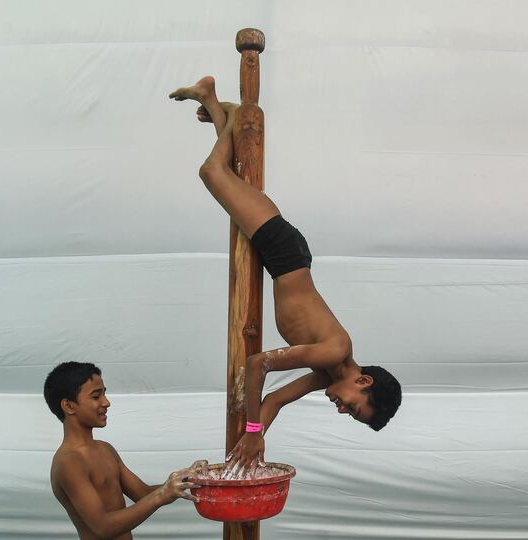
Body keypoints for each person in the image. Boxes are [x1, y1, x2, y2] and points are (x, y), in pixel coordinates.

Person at [170, 76, 402, 477]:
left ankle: (217, 109)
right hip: (282, 250)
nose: (342, 409)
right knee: (212, 171)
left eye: (349, 416)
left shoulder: (325, 372)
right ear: (363, 381)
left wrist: (255, 437)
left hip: (283, 258)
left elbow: (274, 401)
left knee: (226, 173)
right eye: (354, 407)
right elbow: (259, 363)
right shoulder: (333, 352)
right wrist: (255, 428)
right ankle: (220, 105)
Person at [44, 361, 205, 539]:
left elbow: (142, 494)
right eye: (96, 396)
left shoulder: (105, 449)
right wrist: (162, 494)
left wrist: (186, 479)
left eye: (104, 394)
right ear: (68, 406)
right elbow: (103, 526)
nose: (107, 402)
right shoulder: (68, 462)